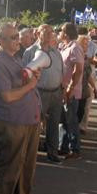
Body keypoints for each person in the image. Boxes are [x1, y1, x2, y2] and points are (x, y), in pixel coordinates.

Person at [0, 23, 41, 194]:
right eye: (13, 37)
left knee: (27, 162)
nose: (18, 40)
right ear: (0, 41)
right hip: (13, 120)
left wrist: (32, 78)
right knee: (11, 162)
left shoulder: (15, 59)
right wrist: (31, 85)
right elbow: (7, 96)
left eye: (18, 36)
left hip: (29, 119)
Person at [22, 25, 63, 163]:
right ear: (37, 33)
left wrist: (61, 88)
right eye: (45, 32)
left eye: (51, 32)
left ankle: (52, 153)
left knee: (54, 124)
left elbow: (60, 71)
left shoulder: (56, 52)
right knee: (34, 124)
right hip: (39, 93)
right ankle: (29, 153)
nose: (49, 35)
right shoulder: (31, 51)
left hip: (56, 93)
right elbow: (24, 72)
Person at [57, 23, 84, 160]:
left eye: (60, 31)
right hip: (62, 90)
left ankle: (75, 149)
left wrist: (70, 88)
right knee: (63, 120)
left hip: (71, 91)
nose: (58, 33)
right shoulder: (64, 47)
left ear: (66, 33)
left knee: (71, 120)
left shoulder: (75, 48)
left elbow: (78, 70)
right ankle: (63, 146)